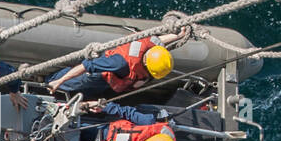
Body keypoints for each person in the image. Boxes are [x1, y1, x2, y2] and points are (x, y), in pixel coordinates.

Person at [46, 33, 180, 97]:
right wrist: (59, 81)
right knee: (72, 84)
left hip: (110, 82)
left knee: (90, 93)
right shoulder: (121, 63)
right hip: (98, 76)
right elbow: (85, 66)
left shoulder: (152, 49)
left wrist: (178, 36)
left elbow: (160, 40)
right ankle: (48, 82)